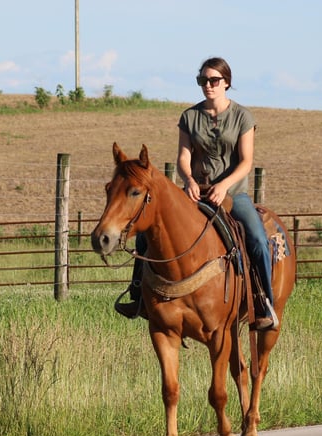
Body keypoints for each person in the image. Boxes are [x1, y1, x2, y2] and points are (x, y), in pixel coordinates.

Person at [115, 57, 278, 331]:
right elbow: (183, 157)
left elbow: (246, 162)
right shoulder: (189, 117)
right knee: (146, 232)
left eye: (214, 80)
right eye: (203, 80)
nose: (208, 85)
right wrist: (189, 180)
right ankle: (138, 296)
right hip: (195, 191)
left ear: (227, 82)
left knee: (258, 239)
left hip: (232, 194)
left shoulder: (243, 117)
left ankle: (264, 305)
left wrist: (223, 186)